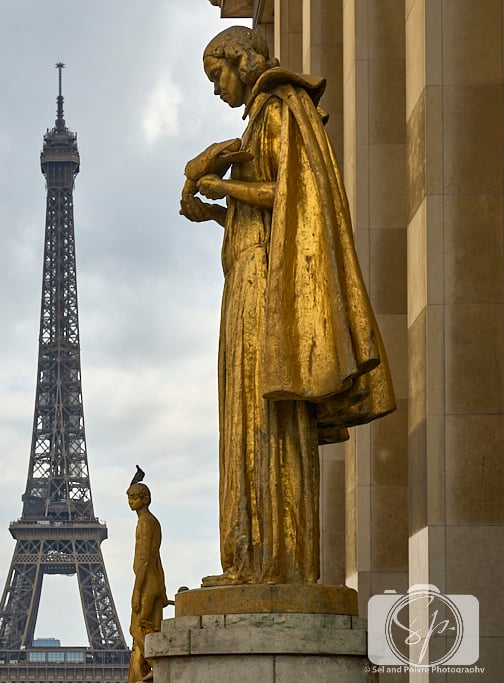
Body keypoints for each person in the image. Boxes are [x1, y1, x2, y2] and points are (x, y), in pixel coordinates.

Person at [180, 26, 395, 586]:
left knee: (265, 415)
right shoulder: (259, 121)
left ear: (243, 62)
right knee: (248, 416)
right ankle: (250, 558)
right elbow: (267, 214)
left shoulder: (281, 108)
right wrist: (215, 214)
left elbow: (291, 194)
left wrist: (223, 188)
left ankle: (275, 562)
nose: (216, 88)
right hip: (247, 283)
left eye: (217, 74)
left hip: (265, 292)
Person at [127, 480, 167, 683]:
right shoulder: (154, 521)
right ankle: (149, 667)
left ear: (145, 499)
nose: (131, 502)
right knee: (150, 629)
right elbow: (157, 558)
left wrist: (136, 591)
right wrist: (163, 590)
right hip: (155, 582)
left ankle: (155, 664)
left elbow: (143, 561)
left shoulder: (144, 523)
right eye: (129, 498)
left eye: (134, 498)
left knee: (136, 629)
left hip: (145, 583)